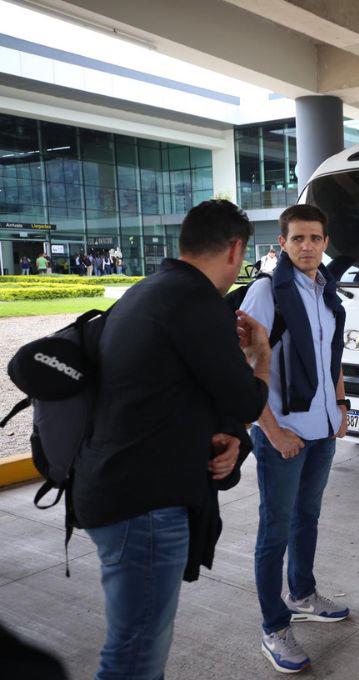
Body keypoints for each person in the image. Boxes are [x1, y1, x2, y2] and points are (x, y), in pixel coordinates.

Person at [71, 200, 271, 680]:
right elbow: (247, 401)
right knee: (135, 656)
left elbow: (167, 392)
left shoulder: (148, 291)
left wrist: (225, 436)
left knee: (138, 648)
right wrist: (261, 355)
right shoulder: (197, 302)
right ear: (235, 250)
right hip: (144, 507)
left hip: (114, 489)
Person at [240, 204, 349, 674]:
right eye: (298, 238)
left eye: (315, 238)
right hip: (282, 434)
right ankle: (274, 627)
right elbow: (244, 369)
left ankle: (302, 594)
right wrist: (272, 430)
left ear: (326, 243)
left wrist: (340, 405)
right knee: (275, 530)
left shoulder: (327, 290)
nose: (307, 246)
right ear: (282, 243)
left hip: (321, 430)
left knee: (308, 517)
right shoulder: (267, 292)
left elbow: (332, 356)